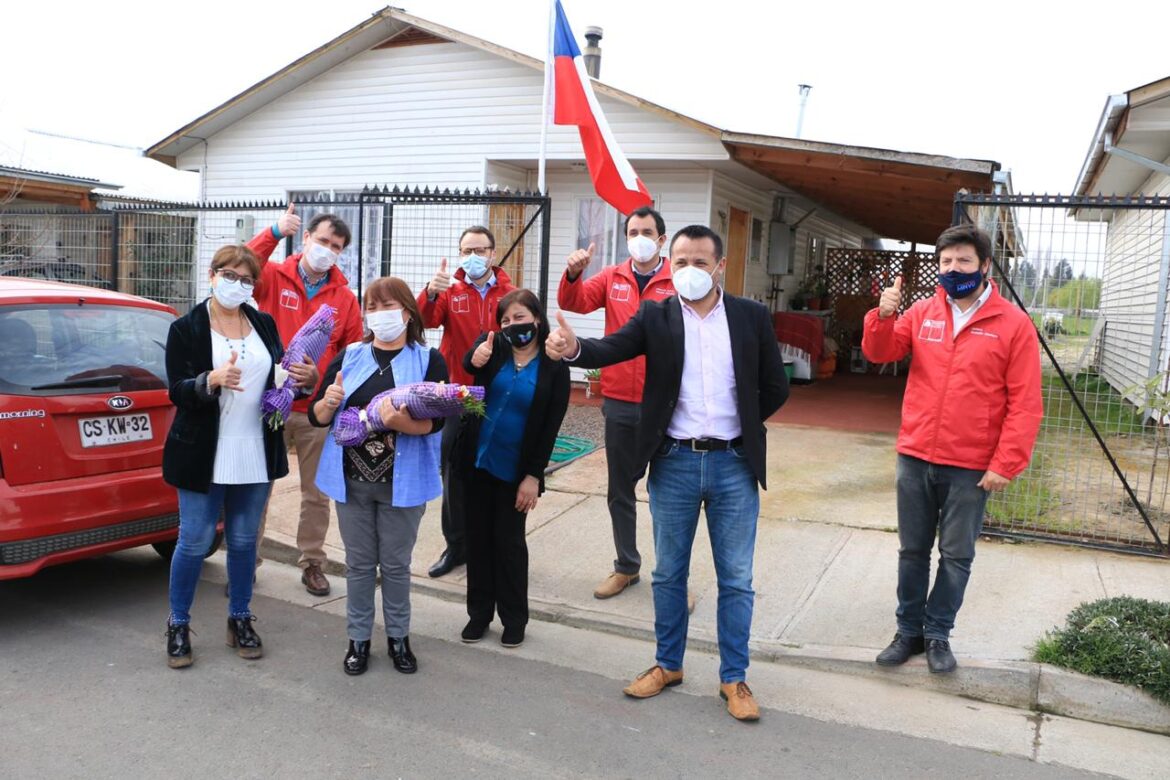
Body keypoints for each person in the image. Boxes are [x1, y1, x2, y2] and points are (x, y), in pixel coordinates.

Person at [546, 225, 788, 722]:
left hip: (734, 464)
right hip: (674, 462)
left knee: (737, 579)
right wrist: (573, 349)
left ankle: (734, 678)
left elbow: (775, 385)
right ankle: (667, 664)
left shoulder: (750, 317)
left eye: (700, 262)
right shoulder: (655, 315)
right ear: (668, 263)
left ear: (720, 266)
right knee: (668, 574)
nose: (689, 271)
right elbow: (610, 349)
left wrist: (743, 420)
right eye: (680, 262)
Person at [862, 224, 1042, 674]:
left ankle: (938, 632)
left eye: (963, 261)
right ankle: (909, 632)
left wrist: (1006, 463)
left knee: (957, 555)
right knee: (912, 552)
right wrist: (882, 316)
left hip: (971, 466)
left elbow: (1025, 403)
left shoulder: (1013, 324)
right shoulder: (923, 313)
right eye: (945, 262)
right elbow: (881, 354)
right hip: (916, 454)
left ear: (984, 265)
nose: (953, 269)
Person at [162, 244, 318, 668]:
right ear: (212, 275)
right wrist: (208, 380)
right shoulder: (187, 328)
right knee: (193, 541)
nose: (238, 284)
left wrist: (305, 381)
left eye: (247, 279)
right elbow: (175, 389)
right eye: (229, 275)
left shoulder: (264, 324)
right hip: (203, 454)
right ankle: (178, 623)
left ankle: (240, 618)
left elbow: (281, 381)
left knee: (246, 541)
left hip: (254, 450)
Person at [310, 277, 447, 676]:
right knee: (358, 565)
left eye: (388, 306)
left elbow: (437, 424)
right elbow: (320, 417)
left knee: (396, 566)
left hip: (401, 483)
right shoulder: (349, 357)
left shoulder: (427, 360)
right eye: (372, 306)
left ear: (407, 312)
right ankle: (358, 640)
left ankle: (399, 639)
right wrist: (327, 402)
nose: (380, 314)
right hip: (350, 481)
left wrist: (401, 423)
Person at [557, 206, 675, 600]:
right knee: (620, 490)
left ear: (661, 239)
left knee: (671, 494)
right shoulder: (612, 277)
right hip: (621, 400)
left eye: (647, 231)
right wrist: (574, 272)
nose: (639, 237)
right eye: (632, 231)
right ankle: (626, 566)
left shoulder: (678, 280)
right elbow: (575, 301)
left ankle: (673, 578)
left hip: (669, 405)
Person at [246, 207, 364, 597]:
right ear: (307, 237)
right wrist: (274, 231)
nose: (328, 250)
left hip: (316, 411)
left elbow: (353, 355)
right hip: (268, 405)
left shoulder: (344, 298)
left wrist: (322, 379)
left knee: (316, 493)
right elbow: (241, 265)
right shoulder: (274, 276)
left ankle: (312, 562)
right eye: (324, 241)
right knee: (257, 488)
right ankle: (247, 561)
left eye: (337, 247)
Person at [457, 289, 570, 648]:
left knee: (508, 544)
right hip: (477, 463)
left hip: (515, 471)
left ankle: (514, 618)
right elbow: (468, 363)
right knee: (477, 540)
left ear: (536, 319)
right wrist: (476, 357)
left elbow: (550, 427)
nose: (512, 326)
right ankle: (478, 615)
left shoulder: (554, 367)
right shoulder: (495, 349)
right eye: (505, 320)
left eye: (519, 318)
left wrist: (533, 477)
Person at [416, 226, 517, 579]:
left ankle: (491, 544)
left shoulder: (510, 293)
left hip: (500, 396)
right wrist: (430, 292)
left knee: (496, 471)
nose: (473, 256)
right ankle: (455, 545)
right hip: (457, 394)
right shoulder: (450, 290)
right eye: (466, 249)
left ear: (493, 252)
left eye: (480, 249)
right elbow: (425, 320)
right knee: (454, 473)